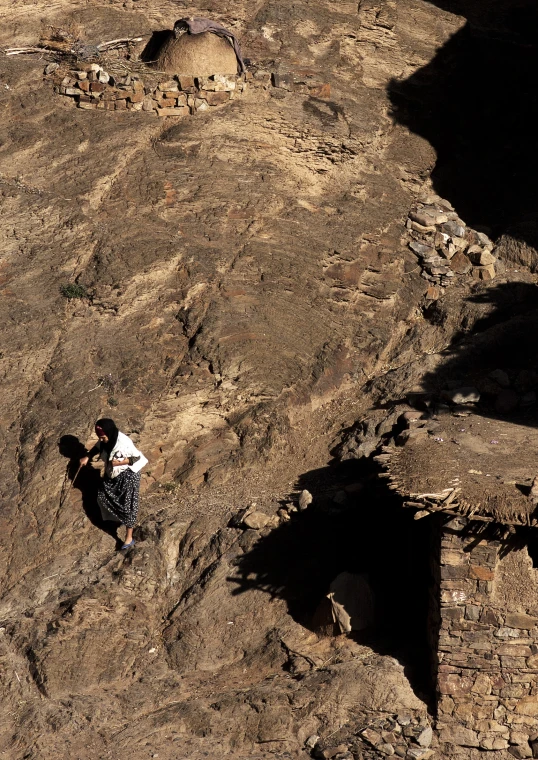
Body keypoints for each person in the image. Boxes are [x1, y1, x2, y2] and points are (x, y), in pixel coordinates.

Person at [80, 418, 148, 550]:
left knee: (128, 506)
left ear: (109, 433)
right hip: (114, 473)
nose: (101, 439)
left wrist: (122, 462)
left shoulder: (123, 443)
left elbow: (137, 457)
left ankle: (128, 538)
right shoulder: (107, 439)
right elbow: (98, 446)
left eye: (103, 437)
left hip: (129, 475)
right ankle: (115, 520)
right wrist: (88, 456)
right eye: (100, 437)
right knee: (104, 493)